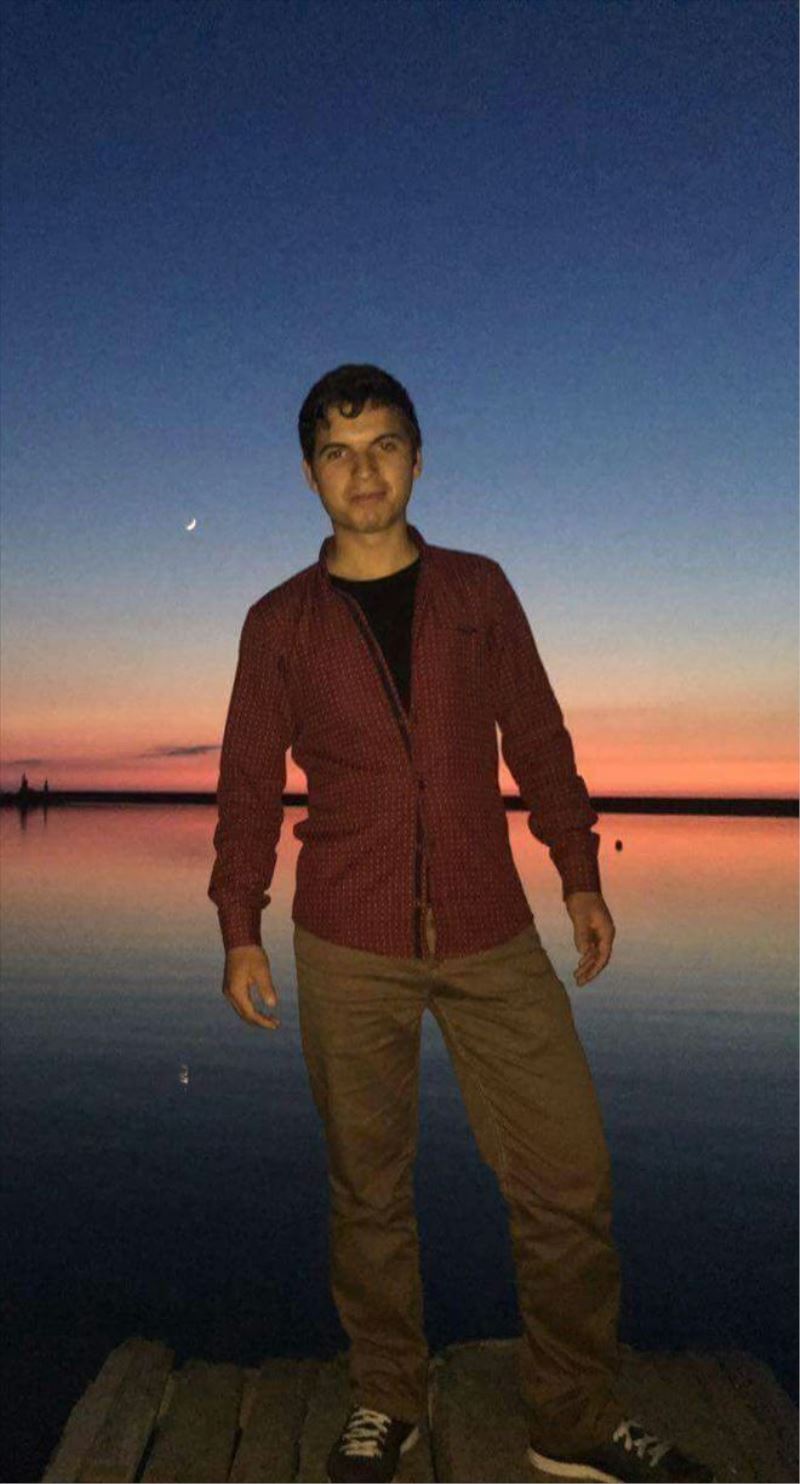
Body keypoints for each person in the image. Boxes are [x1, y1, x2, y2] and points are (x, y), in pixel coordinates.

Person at [208, 364, 716, 1484]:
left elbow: (536, 734)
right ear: (309, 476)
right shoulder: (278, 623)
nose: (363, 471)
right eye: (338, 452)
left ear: (419, 458)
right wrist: (240, 925)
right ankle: (388, 1394)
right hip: (346, 939)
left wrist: (577, 871)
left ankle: (571, 1414)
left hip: (491, 930)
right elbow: (247, 784)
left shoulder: (478, 591)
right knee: (368, 1186)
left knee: (567, 1175)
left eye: (384, 445)